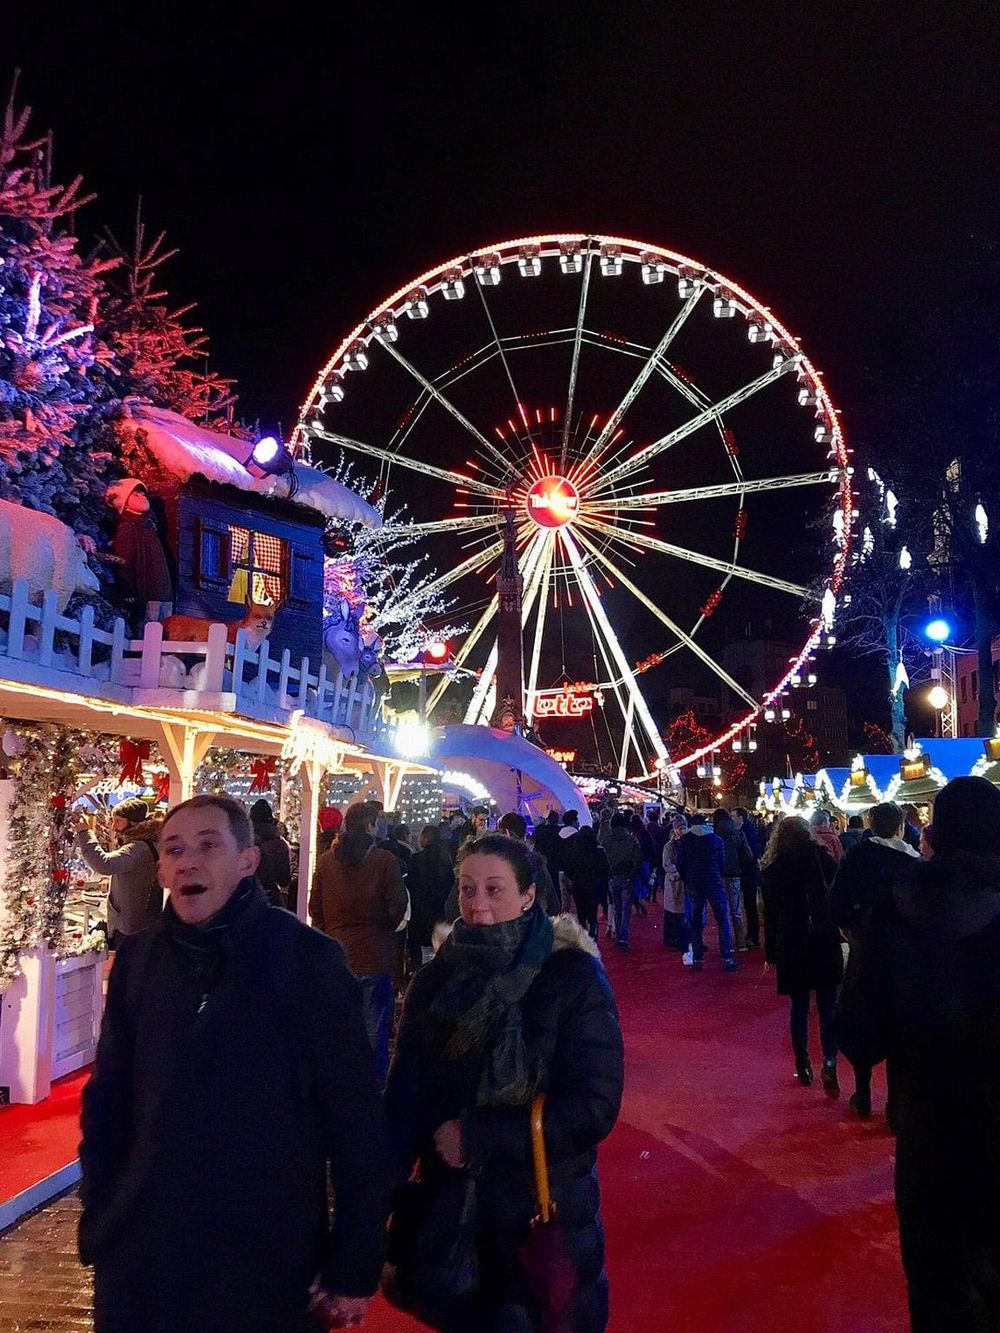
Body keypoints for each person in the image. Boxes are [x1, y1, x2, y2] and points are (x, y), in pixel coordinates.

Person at [79, 794, 390, 1333]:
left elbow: (356, 1119)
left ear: (247, 861)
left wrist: (354, 1260)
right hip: (143, 1248)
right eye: (175, 849)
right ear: (161, 870)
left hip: (263, 1252)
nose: (188, 862)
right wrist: (101, 1213)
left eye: (208, 846)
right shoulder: (140, 958)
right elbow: (108, 1097)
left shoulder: (307, 961)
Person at [383, 834, 624, 1331]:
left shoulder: (571, 976)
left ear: (528, 895)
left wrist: (478, 1136)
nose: (478, 905)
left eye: (494, 889)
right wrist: (375, 1220)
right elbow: (404, 1103)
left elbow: (594, 1105)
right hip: (453, 1217)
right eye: (468, 889)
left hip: (539, 1208)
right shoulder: (437, 980)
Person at [836, 777, 1000, 1332]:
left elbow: (858, 1032)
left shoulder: (898, 908)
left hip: (931, 1126)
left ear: (934, 833)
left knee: (940, 1291)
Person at [831, 801, 920, 1117]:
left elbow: (837, 900)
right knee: (899, 1027)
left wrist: (849, 928)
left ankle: (863, 1093)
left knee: (864, 1021)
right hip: (904, 956)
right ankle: (895, 1104)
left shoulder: (857, 856)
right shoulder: (914, 863)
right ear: (900, 827)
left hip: (866, 950)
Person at [309, 802, 408, 1083]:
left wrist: (330, 932)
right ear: (370, 826)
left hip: (337, 953)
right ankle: (371, 1088)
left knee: (337, 1027)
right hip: (374, 954)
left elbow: (315, 908)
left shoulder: (327, 862)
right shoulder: (385, 861)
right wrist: (382, 929)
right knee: (373, 1030)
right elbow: (398, 906)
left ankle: (336, 1083)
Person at [761, 815, 842, 1092]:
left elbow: (771, 915)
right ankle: (830, 1060)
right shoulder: (822, 859)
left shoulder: (774, 868)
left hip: (792, 939)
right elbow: (836, 895)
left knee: (799, 1006)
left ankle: (803, 1061)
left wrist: (770, 953)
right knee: (829, 1006)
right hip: (823, 937)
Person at [75, 797, 162, 947]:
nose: (114, 826)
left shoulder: (138, 848)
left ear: (133, 822)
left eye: (118, 821)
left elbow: (104, 864)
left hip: (132, 929)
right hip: (140, 924)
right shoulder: (146, 844)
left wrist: (85, 833)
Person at [676, 817, 739, 972]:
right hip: (713, 881)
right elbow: (722, 863)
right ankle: (727, 957)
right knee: (722, 919)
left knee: (695, 920)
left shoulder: (685, 840)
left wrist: (687, 878)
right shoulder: (716, 839)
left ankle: (697, 958)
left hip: (694, 882)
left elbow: (680, 864)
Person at [406, 825, 456, 972]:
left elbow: (411, 884)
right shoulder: (446, 858)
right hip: (439, 910)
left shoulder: (417, 859)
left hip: (420, 911)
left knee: (418, 950)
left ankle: (417, 974)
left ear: (426, 838)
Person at [499, 812, 561, 915]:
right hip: (533, 920)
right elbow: (553, 904)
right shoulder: (535, 862)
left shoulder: (495, 864)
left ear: (506, 832)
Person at [561, 822, 610, 940]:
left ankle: (583, 937)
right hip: (594, 885)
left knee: (581, 913)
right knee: (593, 915)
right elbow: (605, 869)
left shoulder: (574, 851)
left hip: (578, 885)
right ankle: (593, 936)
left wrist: (575, 877)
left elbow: (567, 868)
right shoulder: (599, 851)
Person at [712, 807, 752, 950]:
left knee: (724, 910)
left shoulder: (715, 834)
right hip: (735, 873)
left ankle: (727, 943)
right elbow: (748, 855)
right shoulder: (738, 833)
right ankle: (740, 942)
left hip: (720, 874)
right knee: (736, 910)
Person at [604, 812, 641, 951]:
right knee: (626, 910)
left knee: (616, 908)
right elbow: (637, 860)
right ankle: (623, 938)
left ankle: (618, 934)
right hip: (627, 876)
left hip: (612, 876)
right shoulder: (632, 840)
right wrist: (631, 874)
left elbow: (603, 860)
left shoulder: (606, 840)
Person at [249, 798, 293, 909]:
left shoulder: (243, 842)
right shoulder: (279, 844)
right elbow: (284, 880)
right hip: (270, 899)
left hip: (246, 899)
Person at [732, 807, 763, 948]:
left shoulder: (746, 832)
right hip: (748, 872)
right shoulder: (747, 830)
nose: (732, 819)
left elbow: (751, 853)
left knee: (750, 905)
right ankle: (751, 934)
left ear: (740, 817)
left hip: (749, 872)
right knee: (749, 905)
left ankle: (753, 936)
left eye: (734, 816)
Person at [661, 813, 689, 951]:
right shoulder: (669, 846)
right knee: (672, 912)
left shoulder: (689, 843)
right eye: (680, 828)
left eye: (684, 828)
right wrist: (679, 872)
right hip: (675, 881)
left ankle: (684, 938)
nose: (682, 830)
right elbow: (667, 864)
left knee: (684, 912)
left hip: (685, 882)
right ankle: (672, 939)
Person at [646, 809, 669, 905]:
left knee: (649, 874)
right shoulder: (661, 830)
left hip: (648, 855)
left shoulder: (645, 829)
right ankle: (657, 895)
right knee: (659, 875)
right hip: (659, 854)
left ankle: (649, 894)